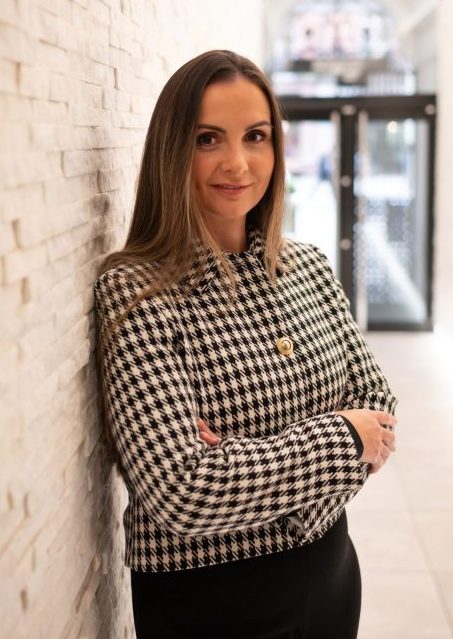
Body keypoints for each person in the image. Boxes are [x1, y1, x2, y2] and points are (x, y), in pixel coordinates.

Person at [94, 49, 397, 639]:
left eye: (255, 136)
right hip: (210, 600)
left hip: (332, 573)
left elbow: (379, 413)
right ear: (172, 150)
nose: (236, 162)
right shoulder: (134, 290)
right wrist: (341, 434)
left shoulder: (308, 267)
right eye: (208, 138)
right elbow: (182, 490)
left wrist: (240, 459)